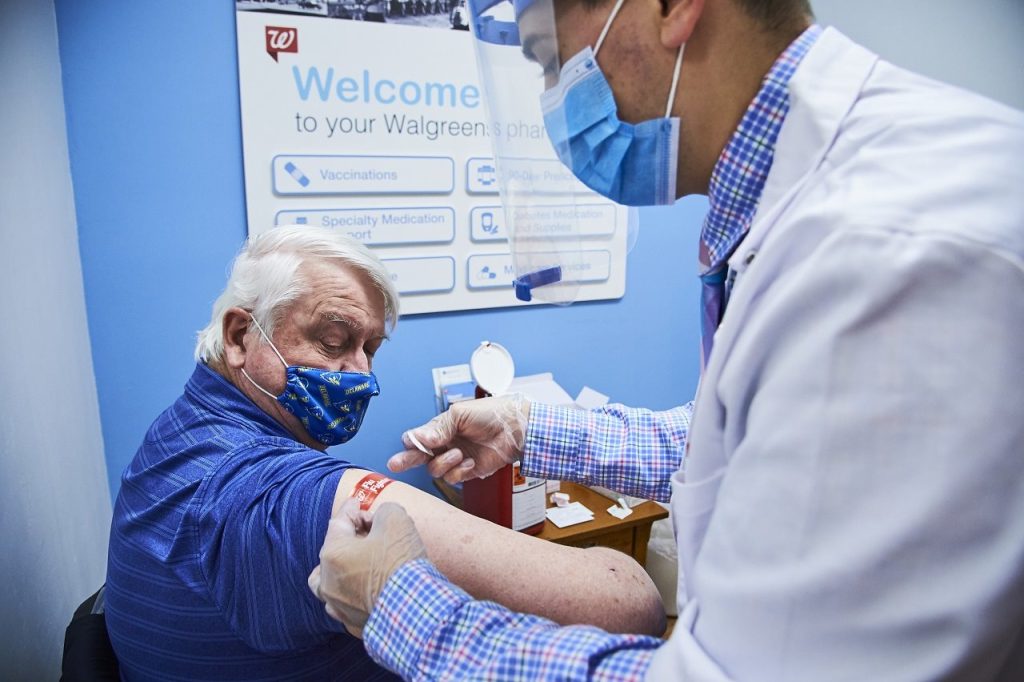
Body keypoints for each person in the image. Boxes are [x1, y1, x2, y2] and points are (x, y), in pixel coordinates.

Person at [306, 0, 1024, 679]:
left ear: (672, 7)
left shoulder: (889, 251)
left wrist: (408, 612)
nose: (555, 102)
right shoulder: (803, 204)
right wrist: (525, 429)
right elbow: (735, 443)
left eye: (551, 62)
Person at [103, 226, 665, 682]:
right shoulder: (286, 498)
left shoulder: (179, 434)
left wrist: (524, 429)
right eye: (333, 340)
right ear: (238, 336)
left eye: (370, 349)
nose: (361, 375)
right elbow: (628, 604)